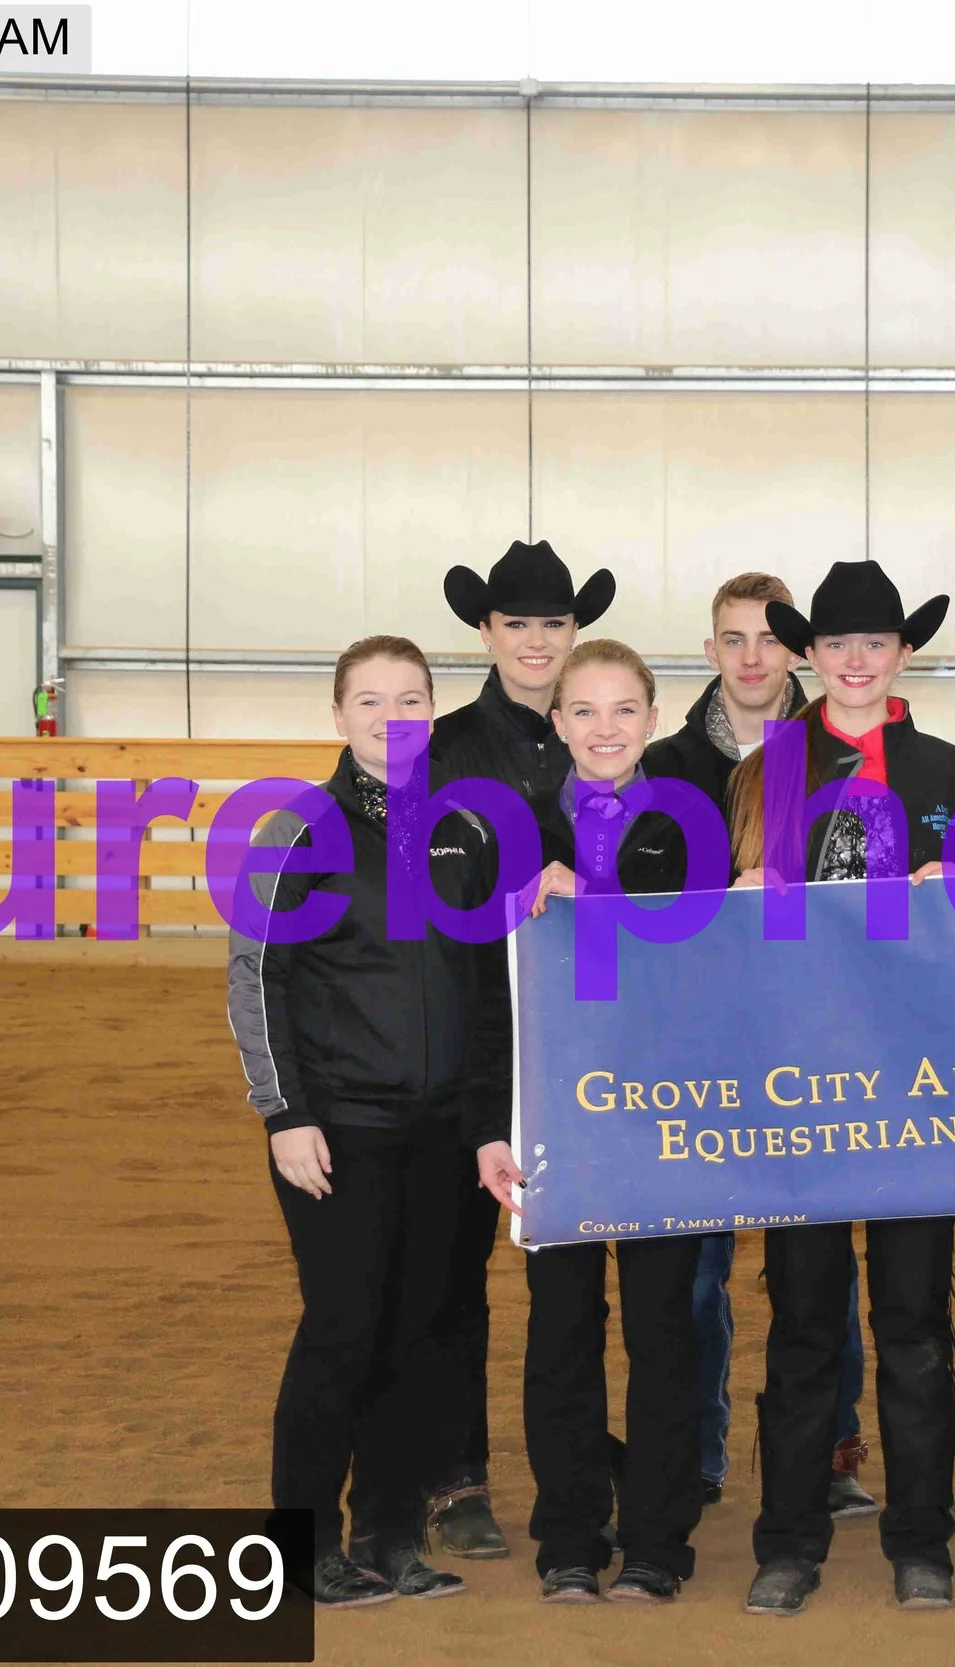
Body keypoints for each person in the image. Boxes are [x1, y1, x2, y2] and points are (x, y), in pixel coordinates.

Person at [225, 636, 511, 1606]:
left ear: (432, 710)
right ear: (339, 715)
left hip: (443, 1132)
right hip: (337, 1129)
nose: (393, 719)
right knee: (343, 1330)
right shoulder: (295, 832)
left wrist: (485, 1120)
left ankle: (387, 1533)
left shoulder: (465, 830)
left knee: (421, 1335)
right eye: (372, 700)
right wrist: (285, 1111)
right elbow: (258, 976)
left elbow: (488, 987)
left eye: (411, 699)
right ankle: (300, 1547)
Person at [724, 559, 955, 1617]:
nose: (857, 659)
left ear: (903, 652)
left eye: (876, 641)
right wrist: (738, 894)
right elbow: (724, 934)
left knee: (914, 1323)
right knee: (803, 1320)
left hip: (915, 1085)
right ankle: (790, 1536)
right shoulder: (764, 771)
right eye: (837, 643)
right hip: (803, 1083)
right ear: (811, 654)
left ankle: (922, 1536)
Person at [475, 640, 712, 1604]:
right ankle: (568, 1532)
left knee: (664, 1331)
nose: (604, 728)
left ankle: (657, 1537)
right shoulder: (515, 829)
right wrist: (492, 1125)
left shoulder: (694, 824)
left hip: (665, 1118)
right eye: (584, 710)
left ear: (652, 719)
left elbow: (707, 959)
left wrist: (598, 897)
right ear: (557, 721)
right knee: (562, 1329)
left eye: (623, 710)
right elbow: (485, 993)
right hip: (555, 1120)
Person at [643, 572, 878, 1521]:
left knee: (819, 1270)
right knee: (697, 1272)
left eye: (768, 639)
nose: (751, 657)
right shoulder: (661, 765)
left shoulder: (845, 759)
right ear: (710, 651)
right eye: (732, 639)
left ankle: (833, 1446)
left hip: (812, 1047)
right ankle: (699, 1450)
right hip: (698, 1055)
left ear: (797, 649)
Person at [418, 537, 616, 1560]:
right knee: (454, 1267)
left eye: (553, 622)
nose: (536, 640)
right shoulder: (440, 749)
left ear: (574, 630)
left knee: (574, 1272)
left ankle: (582, 1460)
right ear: (487, 632)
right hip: (470, 1039)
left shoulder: (607, 743)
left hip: (583, 1050)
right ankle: (454, 1471)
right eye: (516, 623)